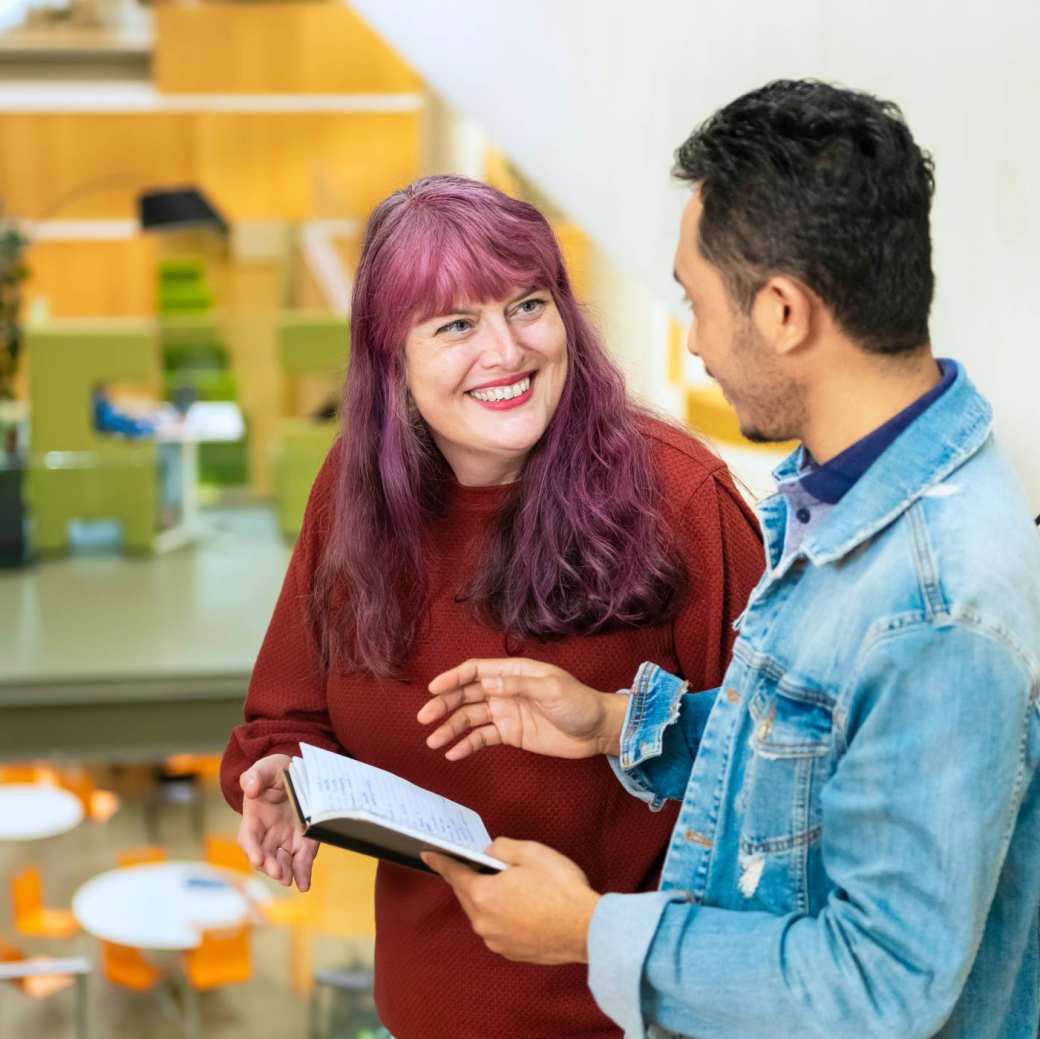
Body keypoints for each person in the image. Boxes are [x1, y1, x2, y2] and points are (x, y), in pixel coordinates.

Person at [419, 82, 1040, 1039]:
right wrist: (620, 724)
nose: (696, 340)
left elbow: (879, 988)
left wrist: (590, 931)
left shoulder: (935, 604)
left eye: (696, 303)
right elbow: (824, 750)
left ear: (784, 311)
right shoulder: (843, 494)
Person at [219, 175, 764, 1038]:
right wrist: (286, 778)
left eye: (527, 305)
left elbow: (778, 781)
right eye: (456, 325)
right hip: (419, 1012)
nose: (506, 351)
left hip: (630, 1020)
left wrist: (615, 725)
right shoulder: (354, 492)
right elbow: (291, 714)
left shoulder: (681, 498)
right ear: (389, 359)